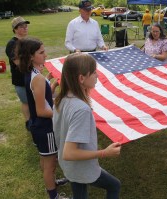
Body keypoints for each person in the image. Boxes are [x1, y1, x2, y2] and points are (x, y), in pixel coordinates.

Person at [53, 53, 122, 199]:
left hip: (70, 167)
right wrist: (104, 152)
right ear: (81, 78)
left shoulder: (62, 99)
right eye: (94, 72)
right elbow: (70, 153)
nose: (97, 75)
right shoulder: (81, 109)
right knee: (114, 185)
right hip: (81, 167)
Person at [15, 38, 66, 199]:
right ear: (31, 56)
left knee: (45, 160)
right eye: (41, 52)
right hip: (45, 127)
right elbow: (41, 110)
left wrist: (52, 83)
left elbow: (44, 98)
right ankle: (54, 195)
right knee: (50, 165)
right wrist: (60, 113)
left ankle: (51, 183)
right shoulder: (37, 78)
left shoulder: (34, 74)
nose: (46, 55)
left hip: (38, 126)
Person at [5, 16, 31, 131]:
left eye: (26, 26)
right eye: (22, 26)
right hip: (20, 78)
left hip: (30, 75)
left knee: (33, 100)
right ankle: (28, 122)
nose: (25, 28)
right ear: (15, 29)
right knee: (26, 101)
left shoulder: (26, 41)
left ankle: (34, 120)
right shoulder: (12, 44)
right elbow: (18, 62)